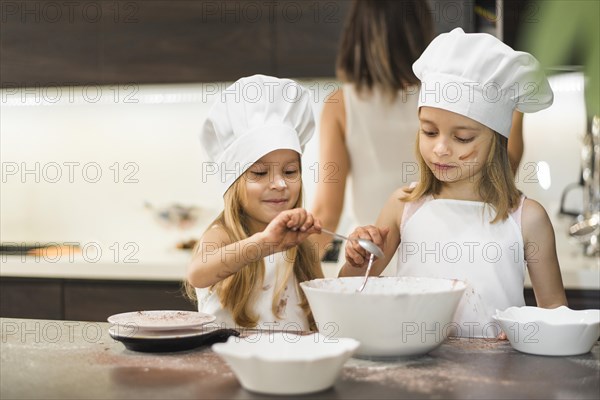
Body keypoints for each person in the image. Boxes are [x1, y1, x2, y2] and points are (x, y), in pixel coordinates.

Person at [340, 28, 568, 338]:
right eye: (429, 132)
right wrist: (358, 258)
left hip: (498, 379)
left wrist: (529, 330)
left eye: (462, 138)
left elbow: (555, 311)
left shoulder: (527, 219)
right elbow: (350, 290)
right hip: (415, 375)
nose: (440, 149)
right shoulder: (403, 206)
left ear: (497, 140)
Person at [310, 1, 525, 263]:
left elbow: (326, 211)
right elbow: (502, 170)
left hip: (369, 258)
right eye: (429, 132)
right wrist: (512, 110)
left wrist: (298, 275)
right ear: (422, 27)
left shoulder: (340, 104)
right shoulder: (444, 97)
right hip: (440, 254)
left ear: (356, 32)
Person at [186, 75, 323, 332]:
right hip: (228, 366)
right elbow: (198, 274)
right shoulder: (222, 235)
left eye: (290, 171)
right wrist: (264, 243)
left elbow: (322, 311)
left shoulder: (300, 243)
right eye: (260, 174)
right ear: (233, 182)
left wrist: (355, 265)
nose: (280, 184)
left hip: (292, 366)